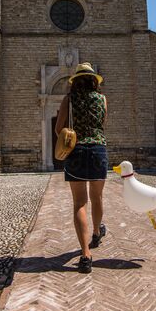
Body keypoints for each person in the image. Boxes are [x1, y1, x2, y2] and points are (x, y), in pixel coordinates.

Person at [55, 62, 108, 274]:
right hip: (98, 149)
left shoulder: (69, 99)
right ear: (94, 80)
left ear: (75, 81)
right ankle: (96, 232)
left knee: (79, 203)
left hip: (76, 151)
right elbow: (103, 125)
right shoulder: (102, 99)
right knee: (97, 198)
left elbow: (59, 128)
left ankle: (86, 255)